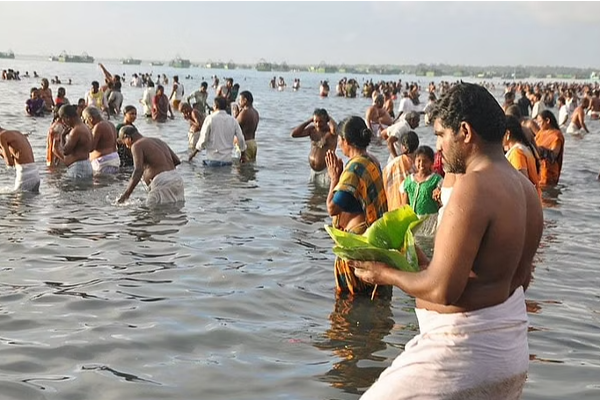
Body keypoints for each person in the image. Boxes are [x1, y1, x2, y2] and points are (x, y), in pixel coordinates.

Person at [349, 83, 544, 400]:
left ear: (465, 132)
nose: (437, 147)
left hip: (462, 354)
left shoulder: (474, 187)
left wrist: (382, 272)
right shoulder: (526, 190)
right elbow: (518, 279)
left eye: (441, 135)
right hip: (509, 350)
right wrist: (428, 268)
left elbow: (443, 290)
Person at [325, 116, 388, 296]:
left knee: (349, 301)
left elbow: (332, 208)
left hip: (357, 242)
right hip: (373, 240)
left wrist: (334, 178)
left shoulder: (354, 168)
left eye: (339, 140)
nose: (338, 144)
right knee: (369, 297)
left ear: (346, 141)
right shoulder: (372, 160)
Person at [117, 126, 184, 207]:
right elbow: (177, 161)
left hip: (162, 183)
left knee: (150, 214)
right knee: (174, 213)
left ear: (128, 137)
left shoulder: (136, 145)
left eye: (125, 144)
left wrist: (126, 195)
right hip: (176, 179)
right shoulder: (157, 141)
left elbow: (138, 171)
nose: (127, 147)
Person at [188, 96, 247, 167]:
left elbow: (203, 139)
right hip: (227, 161)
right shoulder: (233, 120)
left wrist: (193, 154)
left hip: (212, 160)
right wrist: (243, 154)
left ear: (215, 106)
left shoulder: (210, 118)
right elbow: (240, 138)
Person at [290, 108, 337, 186]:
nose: (318, 124)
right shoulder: (312, 130)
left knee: (324, 195)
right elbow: (294, 134)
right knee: (313, 196)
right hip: (313, 171)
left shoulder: (330, 132)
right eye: (316, 121)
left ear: (326, 121)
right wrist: (308, 121)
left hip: (326, 171)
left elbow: (335, 129)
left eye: (321, 121)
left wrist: (330, 118)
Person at [504, 115, 541, 198]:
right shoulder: (527, 148)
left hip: (525, 204)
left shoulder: (517, 153)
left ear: (507, 134)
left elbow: (521, 184)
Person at [400, 145, 443, 217]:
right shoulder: (409, 180)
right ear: (414, 161)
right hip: (413, 220)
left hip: (430, 220)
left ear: (432, 163)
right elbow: (405, 205)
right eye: (419, 161)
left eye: (425, 161)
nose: (421, 164)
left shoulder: (436, 180)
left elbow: (441, 203)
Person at [382, 130, 419, 211]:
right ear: (417, 146)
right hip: (413, 211)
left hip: (392, 209)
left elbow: (383, 186)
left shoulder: (390, 166)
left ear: (403, 147)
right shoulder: (419, 165)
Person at [56, 105, 94, 179]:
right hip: (86, 164)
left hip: (78, 168)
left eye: (63, 119)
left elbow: (65, 151)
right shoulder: (86, 127)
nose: (63, 122)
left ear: (67, 117)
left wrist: (62, 136)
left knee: (73, 189)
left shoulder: (76, 131)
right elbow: (91, 148)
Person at [0, 127, 41, 192]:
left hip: (25, 176)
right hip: (35, 174)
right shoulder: (16, 133)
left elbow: (9, 163)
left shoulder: (2, 137)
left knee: (15, 201)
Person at [82, 107, 120, 174]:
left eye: (86, 120)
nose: (86, 123)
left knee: (100, 183)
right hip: (114, 158)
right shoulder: (110, 124)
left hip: (104, 161)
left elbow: (91, 148)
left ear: (90, 119)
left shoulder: (98, 126)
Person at [535, 110, 565, 187]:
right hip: (537, 169)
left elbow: (554, 154)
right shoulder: (541, 133)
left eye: (540, 122)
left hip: (548, 172)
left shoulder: (556, 135)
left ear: (547, 121)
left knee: (547, 196)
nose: (538, 124)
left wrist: (541, 150)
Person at [236, 91, 260, 162]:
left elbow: (234, 127)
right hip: (253, 143)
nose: (239, 102)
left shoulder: (244, 112)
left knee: (241, 170)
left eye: (240, 100)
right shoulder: (255, 112)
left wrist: (236, 114)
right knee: (250, 169)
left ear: (245, 100)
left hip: (245, 144)